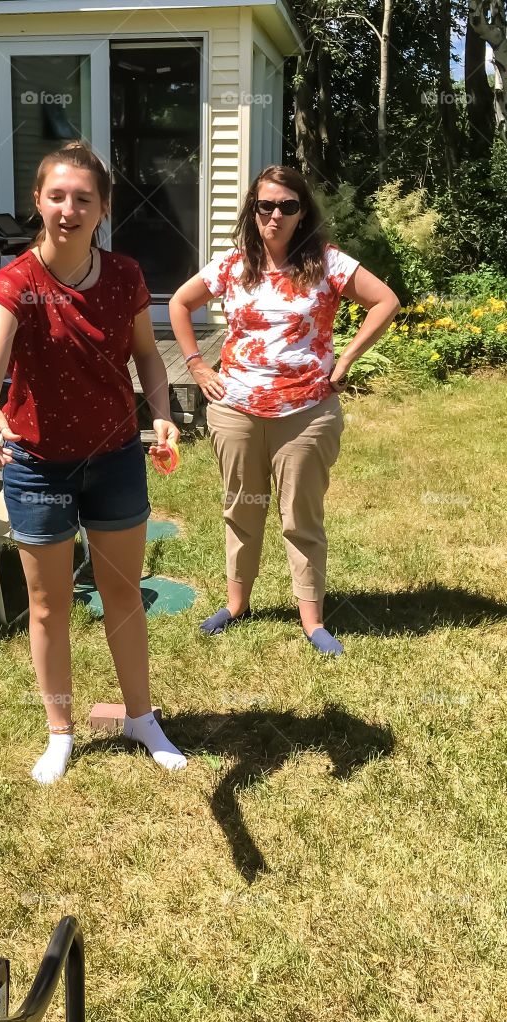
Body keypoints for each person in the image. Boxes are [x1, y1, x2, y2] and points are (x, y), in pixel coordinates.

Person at [0, 141, 187, 784]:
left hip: (116, 456)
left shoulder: (125, 276)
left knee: (122, 594)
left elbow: (148, 354)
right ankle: (60, 730)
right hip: (37, 463)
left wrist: (161, 409)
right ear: (38, 201)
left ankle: (141, 717)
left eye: (82, 199)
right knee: (48, 604)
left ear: (103, 209)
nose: (68, 208)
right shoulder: (16, 283)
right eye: (56, 196)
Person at [169, 165, 399, 656]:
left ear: (302, 212)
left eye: (287, 206)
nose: (275, 214)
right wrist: (197, 366)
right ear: (253, 211)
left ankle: (312, 619)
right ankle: (236, 605)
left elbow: (385, 301)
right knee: (241, 508)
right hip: (236, 409)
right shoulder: (232, 267)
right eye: (266, 205)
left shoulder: (327, 263)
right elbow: (179, 305)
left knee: (301, 515)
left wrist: (346, 359)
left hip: (307, 412)